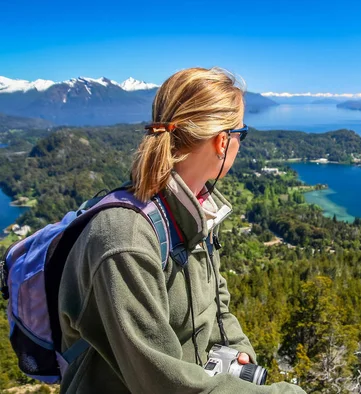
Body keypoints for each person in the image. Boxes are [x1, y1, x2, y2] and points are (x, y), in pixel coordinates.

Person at [58, 67, 306, 393]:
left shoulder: (198, 213)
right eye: (241, 134)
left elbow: (218, 306)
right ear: (222, 142)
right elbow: (162, 385)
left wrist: (239, 352)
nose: (240, 144)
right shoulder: (125, 239)